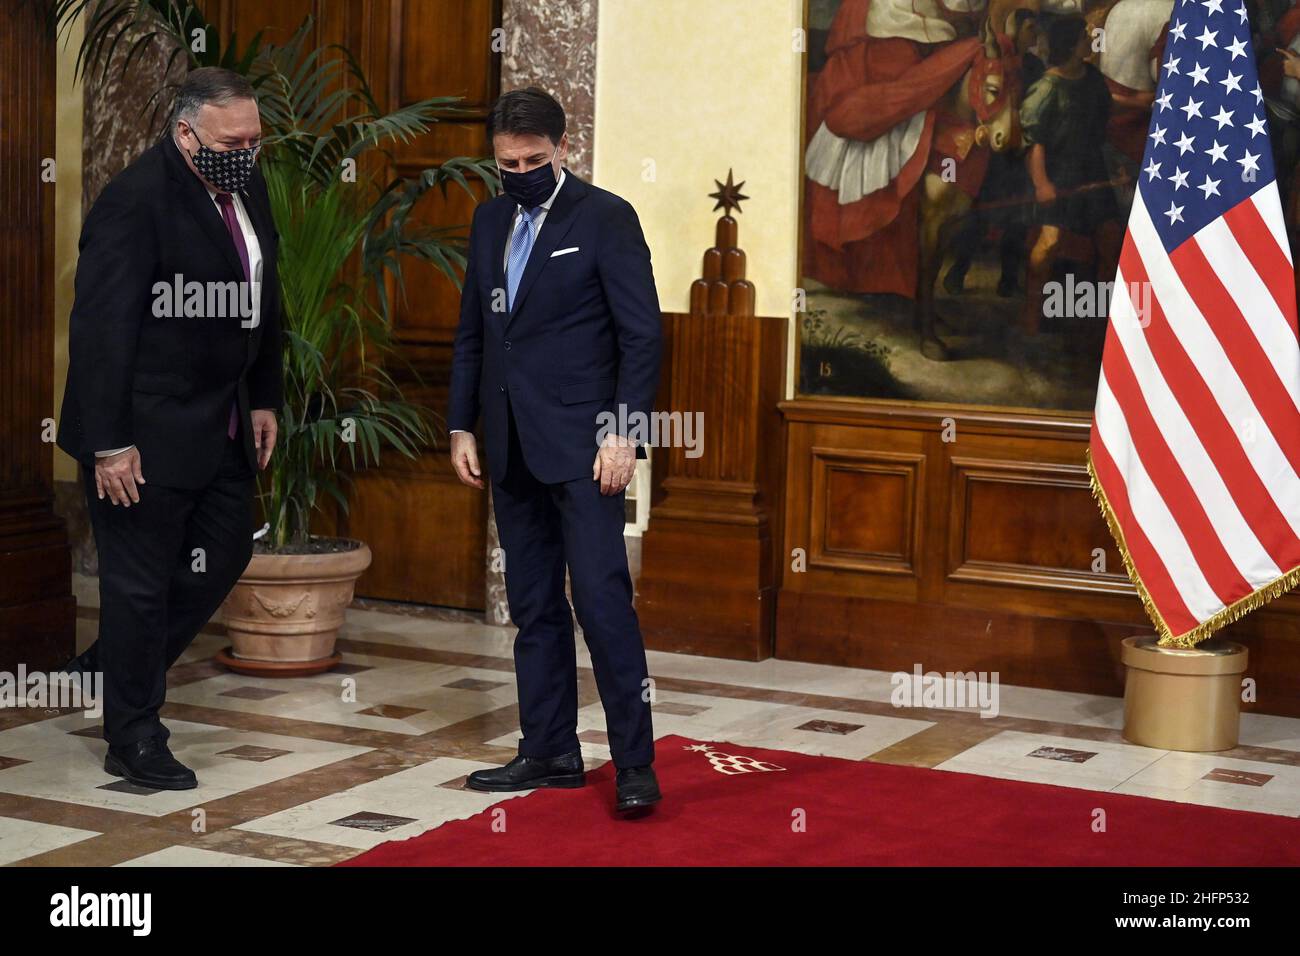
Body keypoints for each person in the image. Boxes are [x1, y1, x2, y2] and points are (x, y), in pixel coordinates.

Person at [56, 67, 282, 789]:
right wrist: (109, 442)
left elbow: (264, 299)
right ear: (185, 134)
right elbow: (101, 333)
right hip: (142, 433)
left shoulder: (247, 185)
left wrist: (264, 398)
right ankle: (134, 736)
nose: (245, 153)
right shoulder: (134, 203)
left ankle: (113, 666)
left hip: (222, 423)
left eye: (254, 139)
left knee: (221, 558)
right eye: (230, 141)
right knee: (139, 586)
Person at [447, 87, 663, 814]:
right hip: (508, 447)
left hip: (587, 450)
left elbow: (641, 335)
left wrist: (626, 433)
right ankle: (550, 751)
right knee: (534, 607)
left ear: (562, 149)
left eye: (534, 159)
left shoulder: (605, 218)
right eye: (508, 162)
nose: (521, 171)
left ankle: (635, 765)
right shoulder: (487, 220)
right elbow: (475, 333)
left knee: (604, 606)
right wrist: (460, 426)